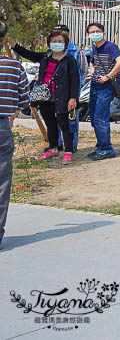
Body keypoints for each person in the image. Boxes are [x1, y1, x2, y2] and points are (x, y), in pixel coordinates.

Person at [13, 31, 80, 165]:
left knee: (64, 124)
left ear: (65, 44)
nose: (57, 43)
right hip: (45, 96)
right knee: (50, 123)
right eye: (54, 41)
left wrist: (73, 98)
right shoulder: (45, 57)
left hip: (62, 96)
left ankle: (68, 151)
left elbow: (75, 80)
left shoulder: (69, 59)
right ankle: (53, 148)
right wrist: (13, 45)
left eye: (60, 41)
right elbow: (28, 54)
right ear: (49, 43)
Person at [0, 19, 30, 249]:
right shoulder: (14, 67)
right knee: (2, 182)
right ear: (3, 40)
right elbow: (24, 100)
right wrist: (11, 114)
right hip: (2, 127)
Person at [85, 22, 120, 160]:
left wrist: (107, 76)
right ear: (88, 35)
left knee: (100, 118)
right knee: (95, 118)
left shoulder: (110, 47)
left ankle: (107, 149)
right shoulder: (94, 48)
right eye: (92, 32)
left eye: (97, 31)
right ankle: (101, 145)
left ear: (103, 33)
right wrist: (93, 72)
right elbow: (92, 62)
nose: (95, 33)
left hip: (105, 87)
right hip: (95, 85)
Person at [54, 24, 83, 153]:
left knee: (71, 119)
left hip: (71, 92)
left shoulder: (76, 51)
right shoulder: (51, 52)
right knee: (56, 119)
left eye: (63, 33)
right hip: (54, 91)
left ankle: (72, 145)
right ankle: (58, 144)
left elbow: (84, 70)